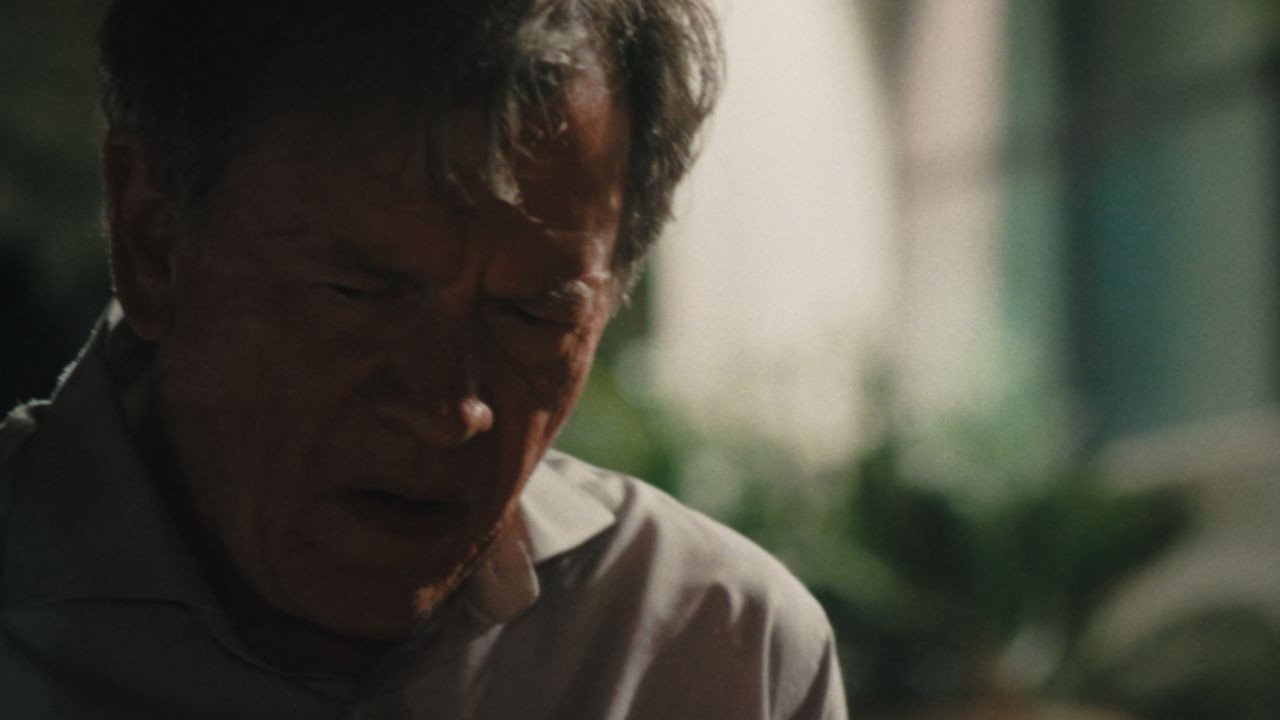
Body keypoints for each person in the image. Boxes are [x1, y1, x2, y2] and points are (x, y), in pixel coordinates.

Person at [0, 1, 847, 717]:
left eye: (533, 313)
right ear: (154, 238)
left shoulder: (715, 649)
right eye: (359, 294)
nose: (450, 409)